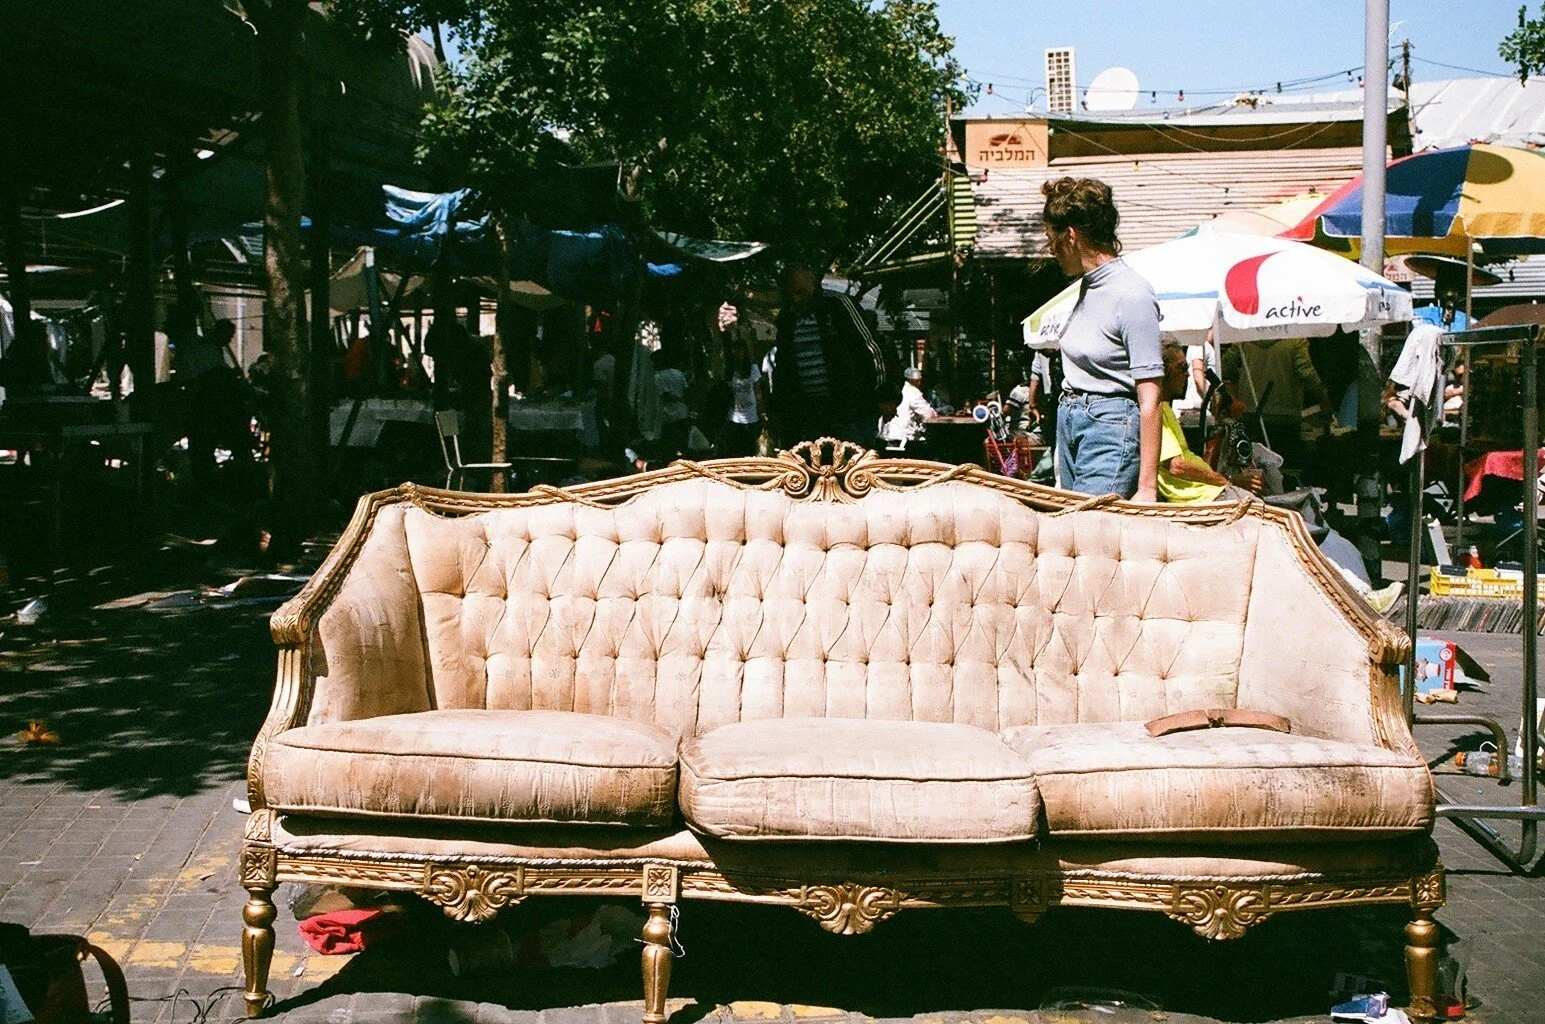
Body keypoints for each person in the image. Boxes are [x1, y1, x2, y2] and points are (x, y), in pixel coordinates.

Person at [1042, 177, 1163, 500]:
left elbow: (1151, 398)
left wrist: (1147, 488)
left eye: (1051, 240)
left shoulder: (1132, 293)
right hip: (1072, 421)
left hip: (1109, 427)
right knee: (1072, 525)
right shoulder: (1088, 286)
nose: (1051, 251)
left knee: (1089, 526)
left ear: (1071, 236)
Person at [1156, 342, 1262, 503]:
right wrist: (1226, 480)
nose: (1188, 374)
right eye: (1183, 367)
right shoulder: (1158, 413)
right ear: (1164, 372)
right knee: (1261, 507)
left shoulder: (1165, 409)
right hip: (1202, 496)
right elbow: (1176, 466)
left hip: (1209, 489)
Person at [1223, 336, 1326, 475]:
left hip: (1249, 413)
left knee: (1253, 470)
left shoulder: (1245, 336)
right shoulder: (1295, 339)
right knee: (1284, 470)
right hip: (1285, 416)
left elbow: (1226, 367)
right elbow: (1307, 374)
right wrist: (1324, 400)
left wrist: (1242, 380)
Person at [720, 336, 766, 457]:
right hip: (734, 415)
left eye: (740, 350)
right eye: (735, 350)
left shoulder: (753, 369)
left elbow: (758, 390)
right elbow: (726, 391)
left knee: (750, 448)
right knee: (736, 449)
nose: (737, 353)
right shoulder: (729, 371)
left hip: (751, 415)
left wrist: (761, 411)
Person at [882, 366, 937, 445]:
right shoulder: (914, 392)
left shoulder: (895, 390)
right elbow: (930, 415)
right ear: (917, 381)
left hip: (886, 437)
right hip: (904, 439)